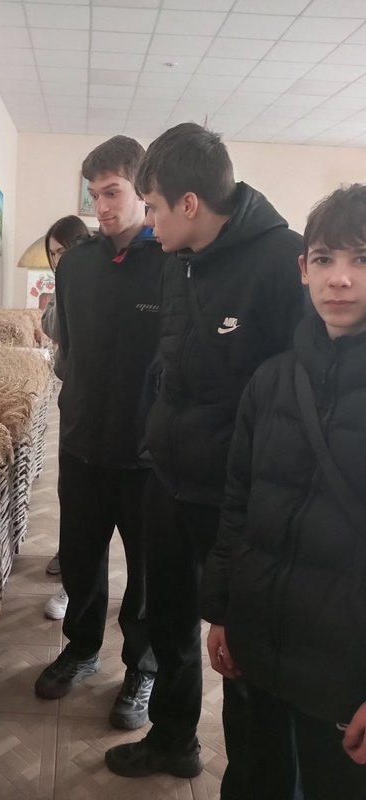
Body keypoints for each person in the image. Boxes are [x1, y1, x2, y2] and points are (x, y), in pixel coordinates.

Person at [104, 123, 305, 795]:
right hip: (169, 478)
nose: (149, 222)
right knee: (168, 622)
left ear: (190, 203)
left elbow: (300, 387)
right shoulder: (176, 257)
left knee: (241, 650)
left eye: (153, 207)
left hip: (236, 497)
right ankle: (173, 740)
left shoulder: (284, 261)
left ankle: (248, 781)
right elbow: (169, 363)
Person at [201, 183, 366, 800]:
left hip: (344, 675)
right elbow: (238, 505)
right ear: (303, 269)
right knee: (254, 780)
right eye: (324, 259)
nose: (339, 278)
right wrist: (222, 611)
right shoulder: (272, 381)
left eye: (361, 259)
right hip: (261, 647)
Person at [34, 136, 164, 731]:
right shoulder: (77, 265)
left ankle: (142, 668)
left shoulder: (171, 262)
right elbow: (68, 351)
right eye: (94, 195)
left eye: (112, 192)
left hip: (147, 455)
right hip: (83, 443)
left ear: (143, 189)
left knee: (147, 574)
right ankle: (82, 648)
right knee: (82, 559)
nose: (102, 207)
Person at [40, 215, 90, 622]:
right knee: (71, 492)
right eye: (53, 254)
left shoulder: (90, 278)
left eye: (64, 251)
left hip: (103, 404)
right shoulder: (66, 280)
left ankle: (78, 577)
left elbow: (60, 327)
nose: (59, 260)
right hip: (74, 397)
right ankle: (68, 554)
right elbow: (51, 326)